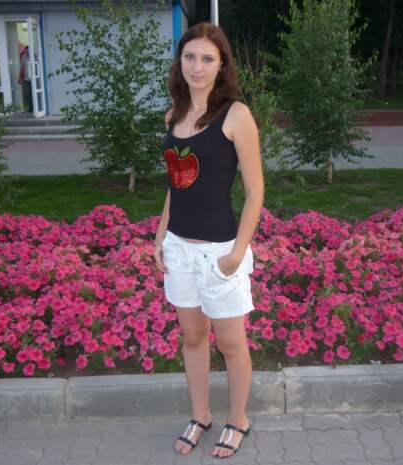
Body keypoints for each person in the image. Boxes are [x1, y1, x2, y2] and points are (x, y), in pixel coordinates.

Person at [153, 22, 264, 459]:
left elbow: (255, 190)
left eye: (207, 59)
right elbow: (176, 184)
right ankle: (200, 415)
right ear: (180, 62)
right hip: (179, 248)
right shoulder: (173, 115)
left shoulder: (235, 115)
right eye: (189, 57)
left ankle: (239, 419)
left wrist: (237, 252)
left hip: (219, 251)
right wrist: (160, 234)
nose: (196, 67)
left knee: (231, 343)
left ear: (221, 65)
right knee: (192, 336)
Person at [18, 44, 33, 113]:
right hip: (26, 79)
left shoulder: (35, 57)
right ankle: (31, 107)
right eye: (26, 50)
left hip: (34, 80)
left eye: (28, 50)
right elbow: (22, 69)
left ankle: (36, 107)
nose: (27, 52)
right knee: (28, 94)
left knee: (34, 93)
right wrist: (20, 78)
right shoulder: (24, 59)